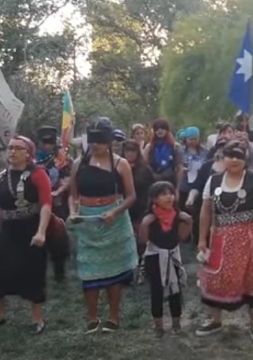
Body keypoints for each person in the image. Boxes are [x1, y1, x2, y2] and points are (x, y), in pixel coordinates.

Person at [196, 140, 253, 340]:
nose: (234, 160)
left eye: (239, 156)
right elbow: (205, 211)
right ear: (222, 158)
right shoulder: (213, 181)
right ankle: (215, 320)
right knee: (217, 276)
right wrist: (201, 239)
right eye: (230, 155)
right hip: (222, 238)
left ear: (245, 160)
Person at [67, 118, 138, 334]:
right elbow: (72, 195)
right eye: (92, 140)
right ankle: (92, 317)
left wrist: (115, 212)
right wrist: (73, 211)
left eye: (100, 141)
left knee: (113, 273)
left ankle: (113, 317)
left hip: (113, 220)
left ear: (108, 142)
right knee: (89, 272)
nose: (95, 145)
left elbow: (131, 196)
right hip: (87, 222)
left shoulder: (120, 164)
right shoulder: (79, 164)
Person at [0, 136, 52, 334]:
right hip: (7, 230)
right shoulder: (1, 175)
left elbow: (46, 204)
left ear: (27, 153)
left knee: (33, 273)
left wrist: (41, 232)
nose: (12, 152)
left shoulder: (38, 174)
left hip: (30, 228)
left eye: (17, 148)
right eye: (10, 148)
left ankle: (37, 319)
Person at [138, 181, 192, 336]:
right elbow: (142, 241)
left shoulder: (178, 216)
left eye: (171, 193)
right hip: (154, 256)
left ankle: (176, 324)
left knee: (175, 290)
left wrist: (188, 223)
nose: (169, 197)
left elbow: (181, 237)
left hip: (172, 255)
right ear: (154, 199)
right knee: (157, 291)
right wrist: (144, 225)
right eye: (163, 194)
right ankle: (158, 326)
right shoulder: (150, 217)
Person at [35, 126, 72, 283]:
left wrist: (58, 191)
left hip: (56, 201)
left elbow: (67, 180)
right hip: (36, 203)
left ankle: (59, 272)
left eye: (50, 143)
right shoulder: (31, 158)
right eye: (45, 142)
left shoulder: (61, 159)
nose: (48, 146)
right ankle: (37, 272)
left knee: (58, 238)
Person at [122, 139, 155, 284]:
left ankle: (143, 271)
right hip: (122, 209)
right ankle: (126, 273)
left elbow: (152, 190)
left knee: (142, 242)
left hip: (141, 209)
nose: (130, 154)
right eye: (127, 150)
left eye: (133, 150)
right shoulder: (117, 167)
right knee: (125, 242)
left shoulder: (144, 169)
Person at [144, 119, 183, 187]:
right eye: (157, 129)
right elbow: (144, 165)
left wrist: (177, 188)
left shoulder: (175, 146)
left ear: (167, 130)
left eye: (162, 128)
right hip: (153, 181)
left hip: (170, 180)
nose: (159, 131)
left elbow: (180, 168)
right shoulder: (149, 147)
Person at [178, 127, 207, 214]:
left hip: (199, 184)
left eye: (195, 139)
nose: (193, 141)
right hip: (184, 184)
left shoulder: (204, 151)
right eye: (190, 139)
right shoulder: (180, 151)